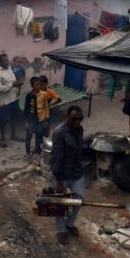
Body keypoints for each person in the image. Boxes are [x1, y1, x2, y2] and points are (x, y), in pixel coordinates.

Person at [50, 105, 85, 245]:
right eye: (74, 119)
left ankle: (69, 224)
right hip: (61, 174)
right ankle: (60, 230)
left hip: (76, 172)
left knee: (79, 200)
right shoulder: (59, 133)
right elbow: (57, 158)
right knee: (60, 203)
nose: (77, 122)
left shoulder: (80, 129)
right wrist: (59, 181)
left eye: (80, 119)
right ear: (67, 117)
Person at [0, 53, 23, 147]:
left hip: (14, 98)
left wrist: (18, 85)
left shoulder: (10, 68)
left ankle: (13, 135)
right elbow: (0, 88)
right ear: (0, 62)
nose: (6, 62)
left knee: (14, 117)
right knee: (4, 120)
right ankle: (2, 138)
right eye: (4, 61)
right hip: (5, 101)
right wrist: (12, 85)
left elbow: (13, 81)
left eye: (7, 60)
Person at [23, 77, 42, 158]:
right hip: (30, 120)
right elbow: (26, 109)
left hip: (39, 120)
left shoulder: (42, 95)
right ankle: (27, 152)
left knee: (38, 136)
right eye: (36, 85)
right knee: (29, 136)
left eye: (39, 84)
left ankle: (38, 151)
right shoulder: (29, 96)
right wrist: (26, 121)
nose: (39, 86)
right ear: (32, 86)